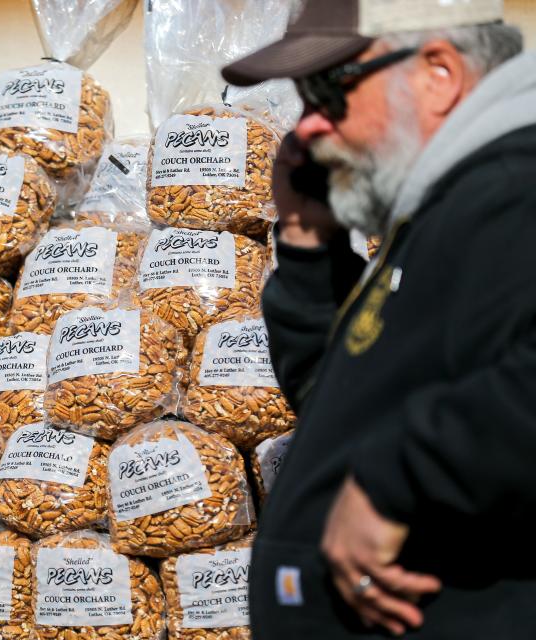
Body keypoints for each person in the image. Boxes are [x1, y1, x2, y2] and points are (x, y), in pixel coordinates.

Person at [221, 0, 536, 638]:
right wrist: (311, 245)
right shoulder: (448, 208)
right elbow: (343, 406)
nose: (305, 128)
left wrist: (399, 477)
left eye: (327, 91)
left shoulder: (512, 193)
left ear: (439, 73)